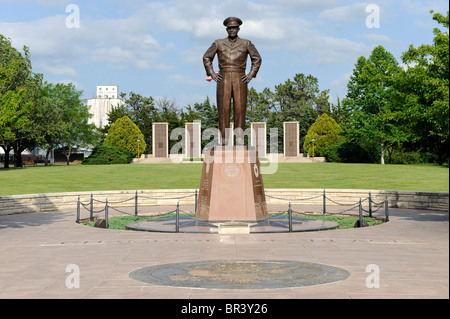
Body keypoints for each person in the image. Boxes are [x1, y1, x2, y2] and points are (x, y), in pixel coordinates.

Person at [203, 17, 262, 145]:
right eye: (230, 28)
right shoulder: (218, 43)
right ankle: (224, 140)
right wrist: (212, 73)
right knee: (223, 110)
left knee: (240, 110)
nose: (232, 30)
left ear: (238, 29)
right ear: (227, 29)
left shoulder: (246, 43)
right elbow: (207, 57)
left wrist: (251, 74)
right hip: (223, 79)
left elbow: (257, 59)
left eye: (234, 28)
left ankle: (239, 140)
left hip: (240, 79)